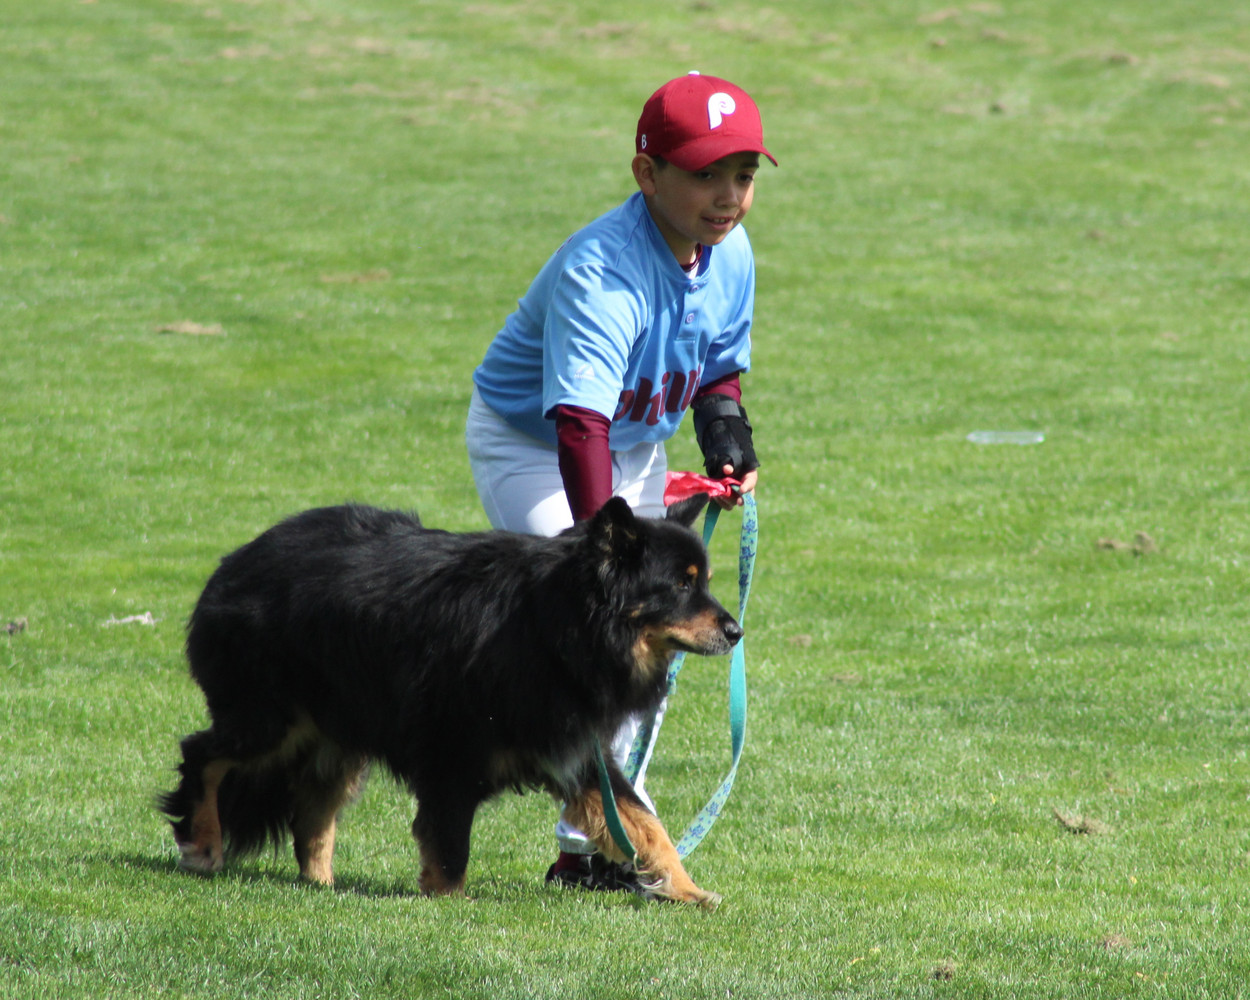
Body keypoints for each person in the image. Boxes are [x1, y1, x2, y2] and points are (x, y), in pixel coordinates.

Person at [465, 71, 774, 891]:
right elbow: (579, 423)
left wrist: (725, 432)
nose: (728, 195)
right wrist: (603, 546)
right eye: (705, 173)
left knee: (655, 641)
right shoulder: (602, 272)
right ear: (647, 174)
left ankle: (585, 849)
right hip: (536, 447)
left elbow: (718, 368)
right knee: (602, 630)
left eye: (743, 174)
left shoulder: (731, 254)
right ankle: (595, 826)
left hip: (630, 447)